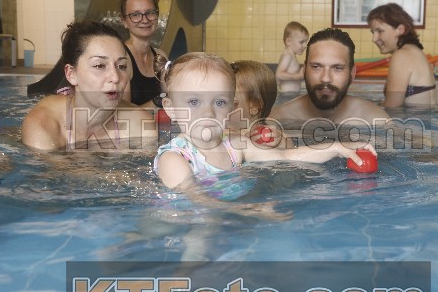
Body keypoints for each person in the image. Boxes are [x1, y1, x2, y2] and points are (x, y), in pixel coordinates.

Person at [153, 52, 376, 219]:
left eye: (219, 102)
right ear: (171, 108)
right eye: (194, 101)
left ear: (231, 107)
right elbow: (196, 199)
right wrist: (245, 209)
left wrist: (337, 147)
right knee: (202, 236)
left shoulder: (236, 144)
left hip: (230, 211)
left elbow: (286, 156)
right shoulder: (175, 158)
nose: (208, 112)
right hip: (187, 218)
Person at [21, 20, 157, 151]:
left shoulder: (139, 125)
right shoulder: (43, 126)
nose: (115, 78)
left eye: (122, 66)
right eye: (99, 66)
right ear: (71, 74)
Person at [269, 28, 390, 130]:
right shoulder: (278, 120)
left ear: (352, 73)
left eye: (337, 68)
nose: (326, 78)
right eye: (316, 67)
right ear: (304, 70)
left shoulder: (376, 121)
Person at [367, 3, 436, 108]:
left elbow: (392, 106)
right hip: (423, 117)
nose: (374, 39)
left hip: (413, 118)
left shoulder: (402, 55)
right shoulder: (415, 51)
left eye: (380, 31)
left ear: (400, 29)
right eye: (373, 32)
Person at [120, 0, 169, 107]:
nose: (145, 20)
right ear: (124, 21)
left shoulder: (160, 56)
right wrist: (159, 101)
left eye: (150, 13)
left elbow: (170, 97)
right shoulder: (122, 58)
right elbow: (124, 112)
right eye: (136, 15)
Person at [230, 60, 292, 149]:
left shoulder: (274, 135)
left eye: (226, 101)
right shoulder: (220, 132)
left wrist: (285, 145)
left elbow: (292, 152)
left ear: (254, 106)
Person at [275, 21, 309, 97]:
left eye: (306, 42)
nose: (305, 45)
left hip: (290, 95)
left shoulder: (291, 55)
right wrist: (298, 76)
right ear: (288, 41)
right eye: (301, 42)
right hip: (286, 96)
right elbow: (279, 74)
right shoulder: (288, 55)